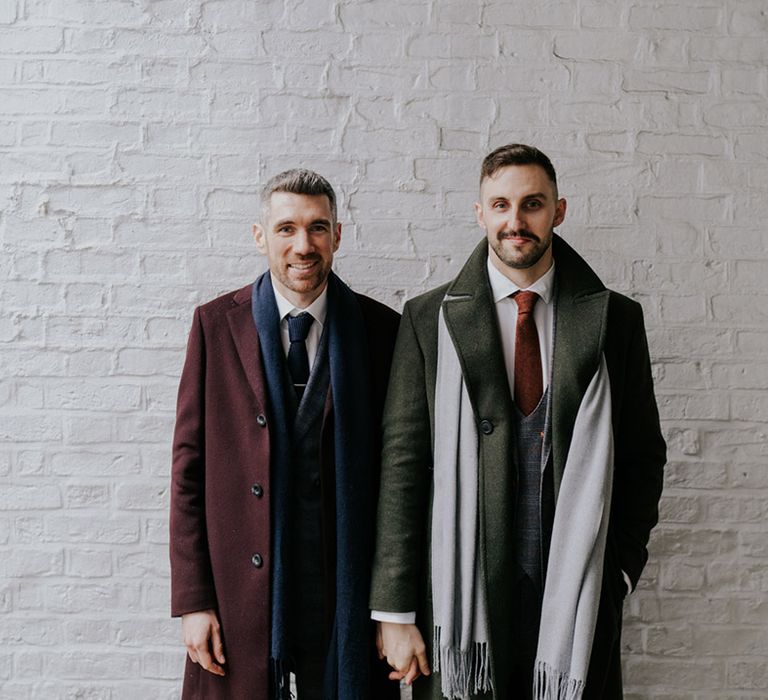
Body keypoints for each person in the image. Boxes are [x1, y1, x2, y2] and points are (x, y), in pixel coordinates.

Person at [370, 144, 666, 699]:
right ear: (480, 213)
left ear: (559, 210)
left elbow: (642, 456)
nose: (515, 221)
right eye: (500, 204)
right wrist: (394, 608)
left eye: (532, 204)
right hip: (462, 595)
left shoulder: (616, 319)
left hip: (575, 592)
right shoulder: (429, 318)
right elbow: (403, 464)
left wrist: (619, 571)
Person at [170, 169, 400, 700]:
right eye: (286, 229)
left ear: (337, 236)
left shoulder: (383, 331)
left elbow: (402, 479)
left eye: (318, 228)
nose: (303, 245)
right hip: (237, 599)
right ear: (260, 235)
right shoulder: (214, 326)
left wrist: (396, 605)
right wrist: (194, 600)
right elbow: (188, 470)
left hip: (346, 596)